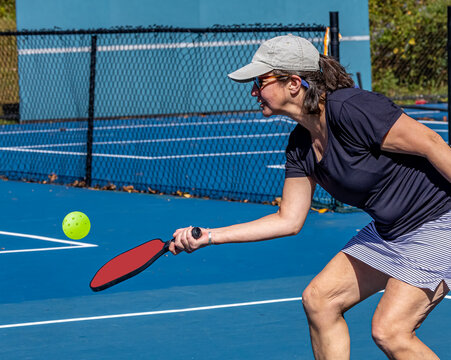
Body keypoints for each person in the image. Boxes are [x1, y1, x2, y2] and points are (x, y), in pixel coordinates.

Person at [168, 34, 451, 359]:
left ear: (293, 83)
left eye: (260, 81)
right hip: (390, 231)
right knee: (320, 299)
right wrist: (210, 236)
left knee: (391, 331)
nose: (253, 91)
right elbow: (288, 219)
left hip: (439, 219)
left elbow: (432, 143)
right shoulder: (301, 146)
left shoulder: (352, 108)